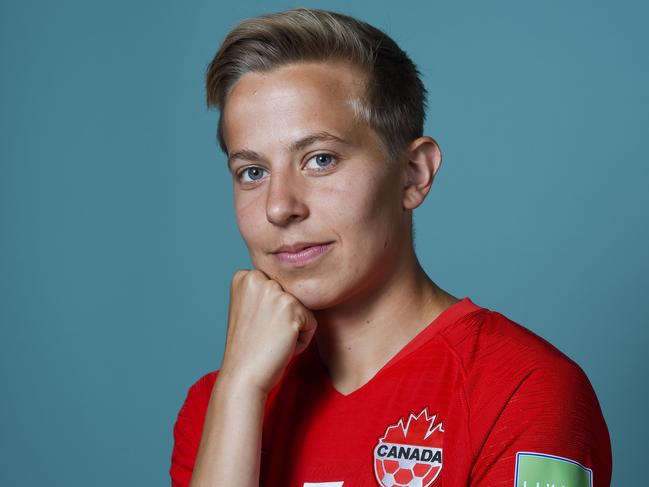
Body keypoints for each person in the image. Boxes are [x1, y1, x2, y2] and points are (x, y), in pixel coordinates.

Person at [170, 7, 612, 487]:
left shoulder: (522, 389)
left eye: (320, 159)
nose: (280, 207)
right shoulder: (221, 404)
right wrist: (240, 391)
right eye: (252, 172)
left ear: (414, 173)